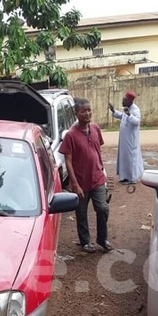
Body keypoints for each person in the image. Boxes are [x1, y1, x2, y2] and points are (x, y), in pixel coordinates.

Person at [59, 98, 113, 253]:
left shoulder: (95, 128)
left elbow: (97, 151)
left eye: (89, 110)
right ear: (76, 113)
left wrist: (103, 171)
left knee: (102, 208)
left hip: (97, 178)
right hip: (81, 182)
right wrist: (74, 184)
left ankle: (102, 239)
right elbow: (68, 161)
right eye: (83, 111)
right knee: (81, 213)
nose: (87, 113)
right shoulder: (71, 135)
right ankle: (85, 242)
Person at [108, 91, 143, 184]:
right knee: (124, 157)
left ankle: (132, 178)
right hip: (124, 140)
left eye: (124, 100)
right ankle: (124, 176)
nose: (123, 101)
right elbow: (121, 116)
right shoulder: (127, 109)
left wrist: (129, 115)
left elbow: (137, 122)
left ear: (130, 101)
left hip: (130, 140)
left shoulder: (135, 110)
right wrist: (113, 111)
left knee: (130, 158)